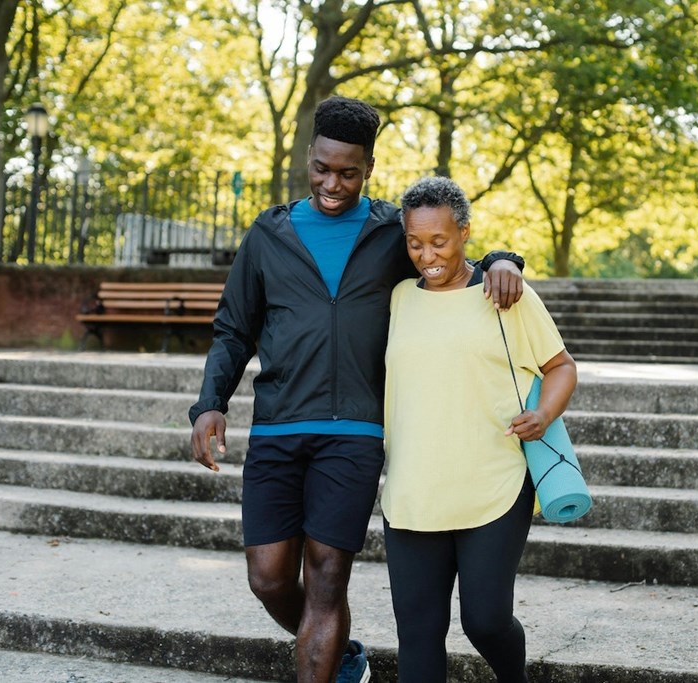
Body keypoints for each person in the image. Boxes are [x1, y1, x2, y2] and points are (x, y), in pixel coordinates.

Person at [188, 96, 525, 683]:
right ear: (309, 157)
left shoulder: (389, 232)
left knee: (325, 579)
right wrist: (210, 402)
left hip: (355, 434)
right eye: (321, 168)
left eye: (347, 172)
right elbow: (233, 328)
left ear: (368, 167)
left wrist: (504, 258)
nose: (331, 183)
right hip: (278, 425)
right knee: (268, 578)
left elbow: (447, 255)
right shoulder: (269, 233)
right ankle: (344, 656)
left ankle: (329, 664)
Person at [381, 176, 577, 683]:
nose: (427, 254)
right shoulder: (397, 298)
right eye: (415, 242)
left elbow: (560, 366)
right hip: (413, 491)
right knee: (418, 635)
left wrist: (544, 414)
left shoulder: (503, 291)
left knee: (485, 621)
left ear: (464, 232)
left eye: (439, 241)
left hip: (495, 483)